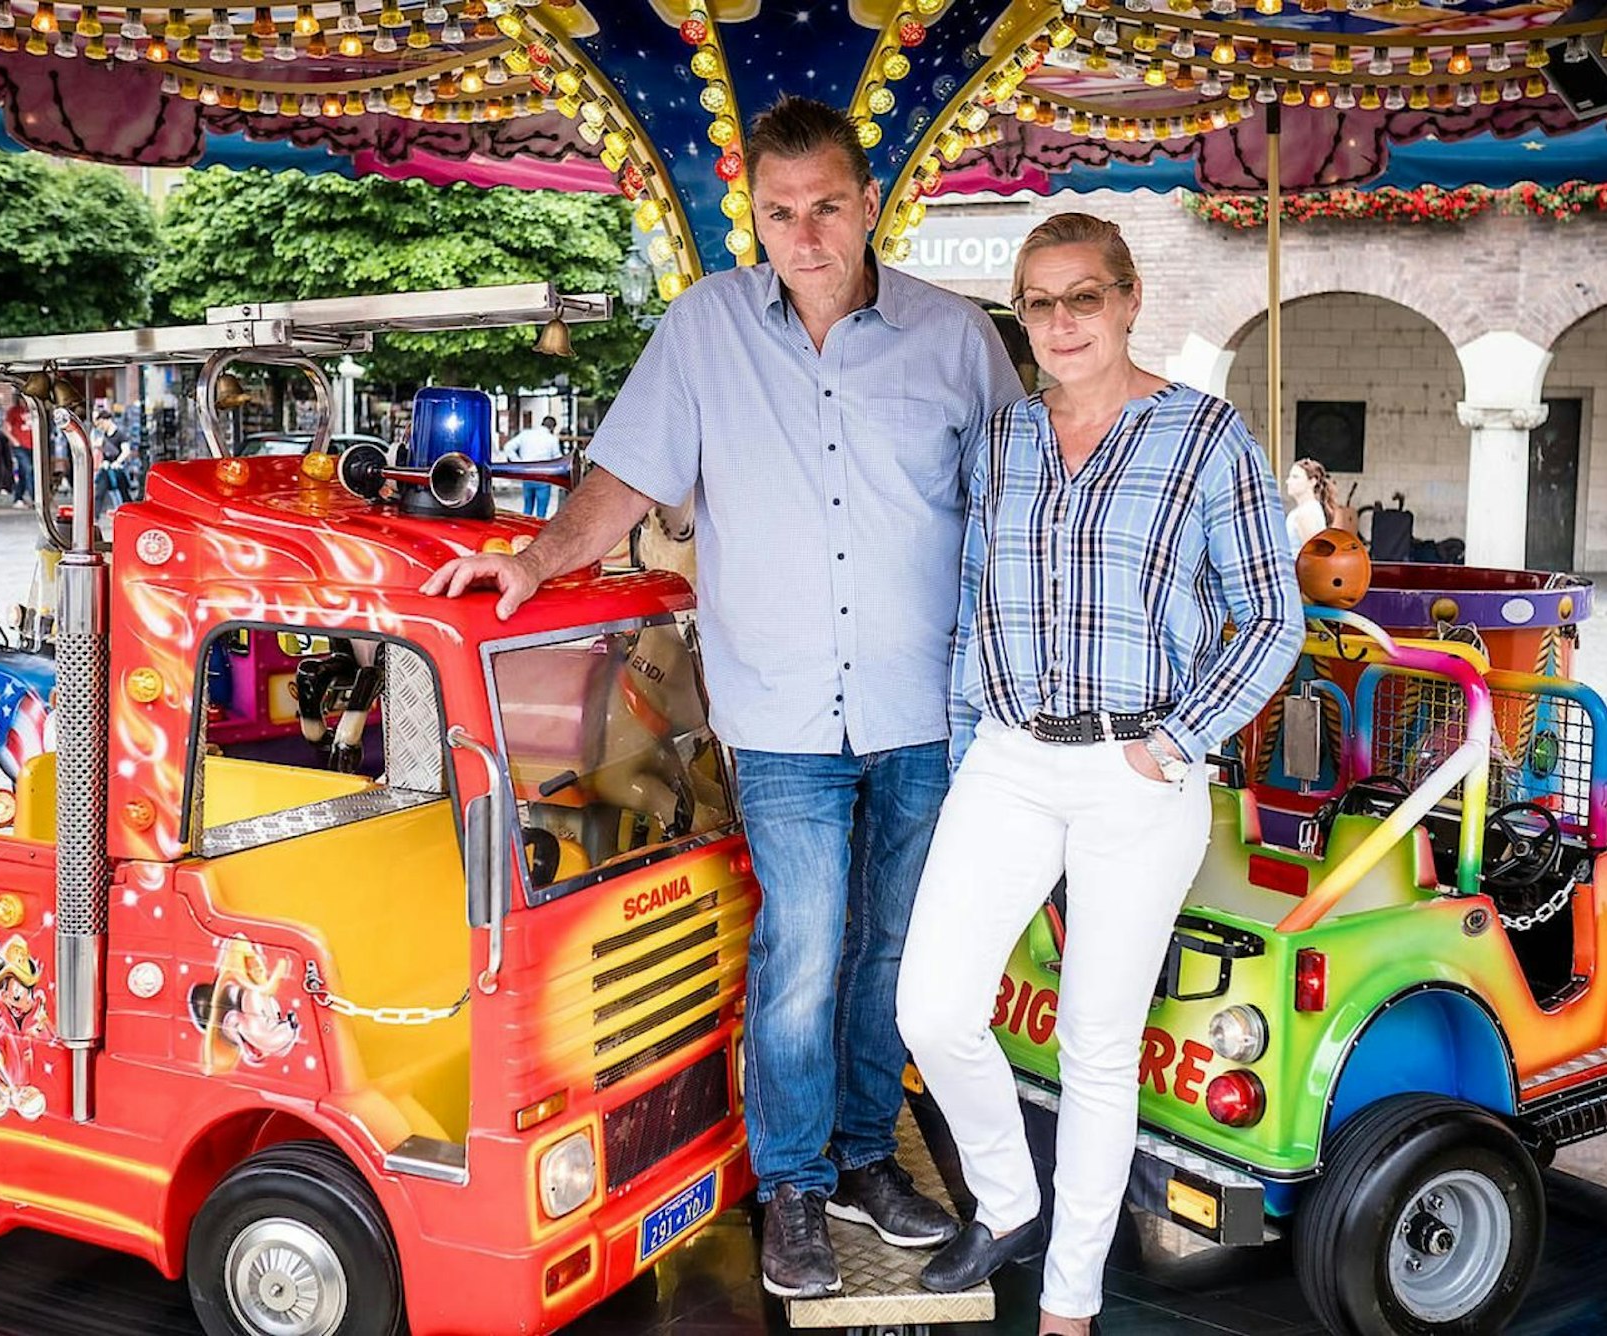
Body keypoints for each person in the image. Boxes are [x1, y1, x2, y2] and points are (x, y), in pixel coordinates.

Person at [423, 95, 1021, 1299]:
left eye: (826, 209)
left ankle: (864, 1157)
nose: (803, 234)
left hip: (926, 708)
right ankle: (791, 1180)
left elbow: (1020, 510)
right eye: (778, 214)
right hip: (783, 712)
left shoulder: (956, 338)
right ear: (755, 219)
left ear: (869, 208)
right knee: (801, 947)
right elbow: (622, 479)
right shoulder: (703, 332)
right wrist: (535, 562)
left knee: (891, 954)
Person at [895, 213, 1303, 1335]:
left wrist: (1178, 736)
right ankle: (1006, 1196)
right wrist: (959, 746)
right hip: (1010, 756)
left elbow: (1271, 614)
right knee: (930, 1006)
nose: (1060, 322)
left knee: (1093, 1041)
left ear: (1128, 301)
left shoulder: (1204, 436)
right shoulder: (1004, 440)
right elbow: (972, 609)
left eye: (1083, 297)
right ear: (1018, 317)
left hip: (1139, 765)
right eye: (1037, 302)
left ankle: (1069, 1301)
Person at [500, 413, 564, 518]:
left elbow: (508, 447)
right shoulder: (552, 439)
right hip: (544, 475)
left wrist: (519, 462)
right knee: (541, 512)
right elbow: (557, 457)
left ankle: (524, 530)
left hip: (527, 473)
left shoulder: (526, 434)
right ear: (552, 427)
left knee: (527, 508)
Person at [1284, 457, 1335, 551]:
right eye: (1290, 477)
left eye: (1295, 477)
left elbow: (1313, 555)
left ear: (1312, 481)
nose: (1288, 481)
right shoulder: (1306, 509)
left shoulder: (1306, 512)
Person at [4, 393, 36, 509]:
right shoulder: (14, 411)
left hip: (32, 446)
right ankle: (35, 499)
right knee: (29, 469)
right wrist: (13, 440)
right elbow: (5, 428)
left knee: (23, 473)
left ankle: (18, 498)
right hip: (19, 446)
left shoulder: (33, 411)